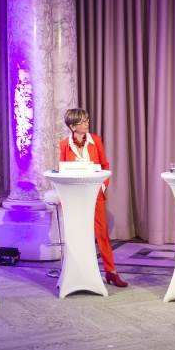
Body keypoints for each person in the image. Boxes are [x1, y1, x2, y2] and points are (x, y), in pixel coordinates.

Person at [59, 108, 127, 287]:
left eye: (87, 120)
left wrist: (102, 187)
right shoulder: (64, 145)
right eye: (83, 121)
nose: (87, 123)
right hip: (74, 194)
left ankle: (111, 272)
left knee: (101, 233)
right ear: (73, 126)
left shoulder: (96, 140)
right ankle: (78, 271)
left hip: (94, 193)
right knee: (77, 233)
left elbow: (105, 165)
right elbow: (63, 170)